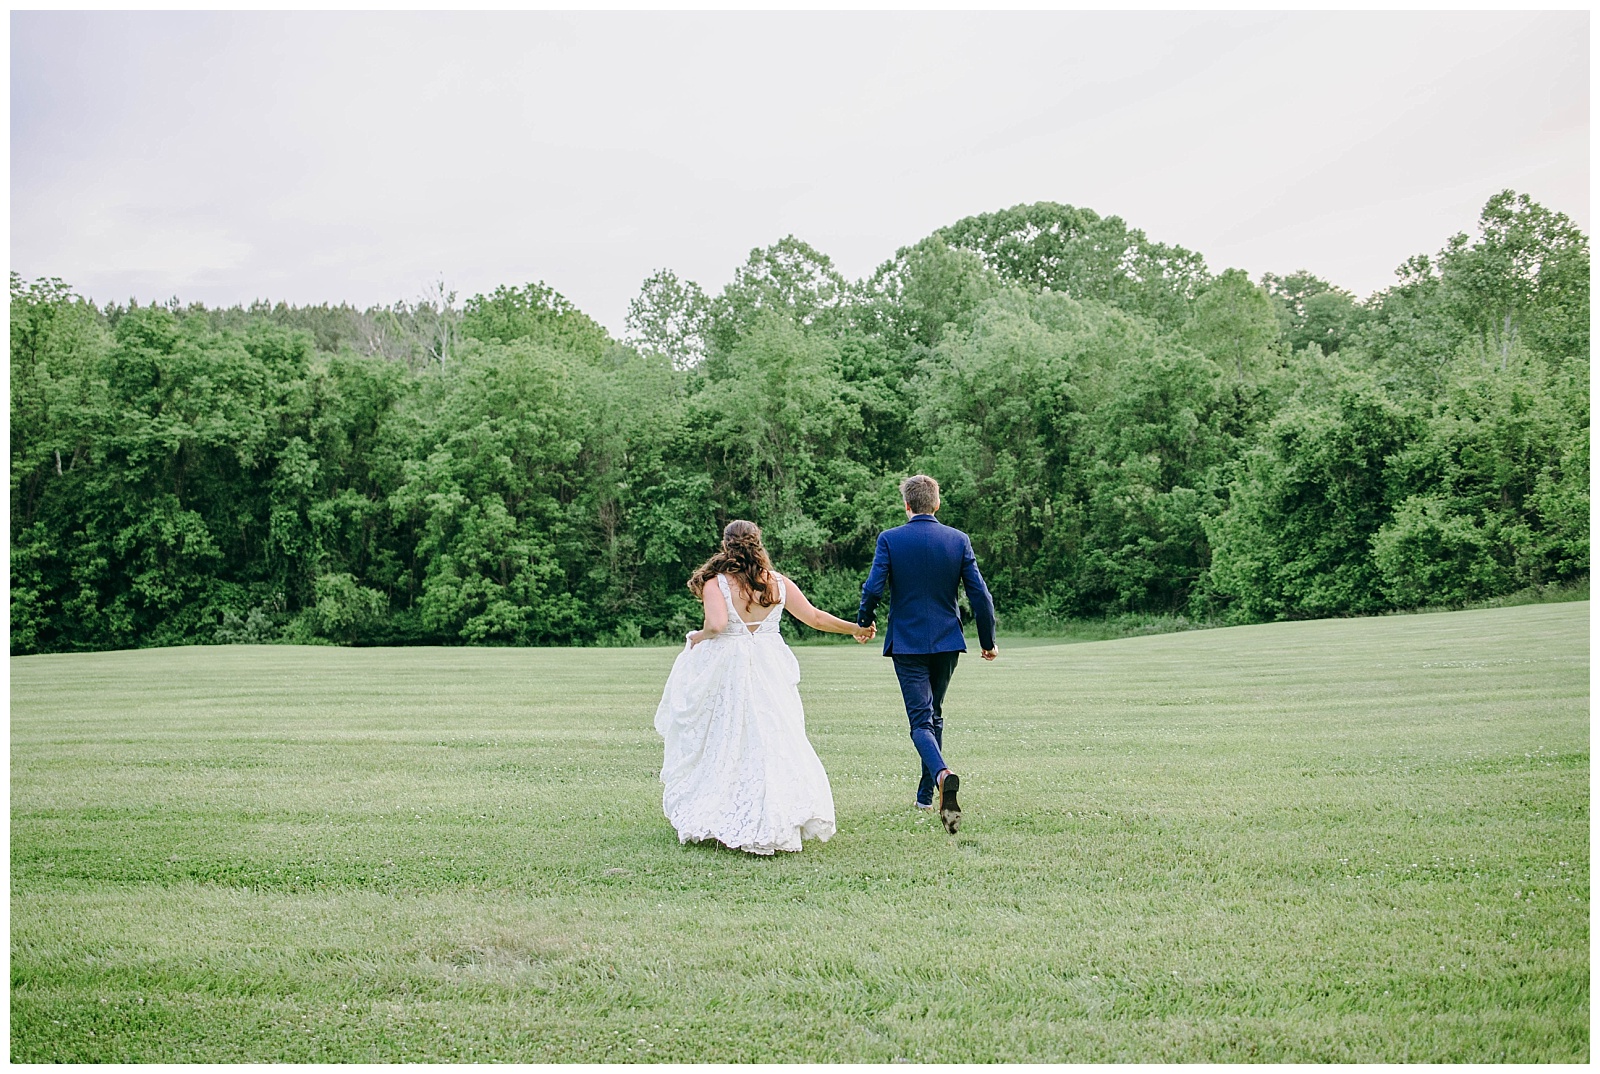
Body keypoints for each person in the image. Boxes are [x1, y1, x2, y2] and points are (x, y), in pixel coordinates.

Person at [653, 520, 875, 855]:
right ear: (758, 544)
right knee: (773, 737)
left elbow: (716, 625)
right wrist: (854, 628)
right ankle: (776, 813)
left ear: (726, 545)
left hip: (728, 668)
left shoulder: (717, 583)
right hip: (769, 666)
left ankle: (724, 812)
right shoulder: (778, 584)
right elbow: (814, 618)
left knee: (726, 738)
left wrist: (696, 637)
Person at [857, 474, 997, 834]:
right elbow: (980, 595)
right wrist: (987, 640)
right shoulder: (957, 540)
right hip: (948, 641)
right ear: (936, 504)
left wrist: (864, 620)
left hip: (907, 642)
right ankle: (925, 796)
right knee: (934, 716)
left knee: (921, 722)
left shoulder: (889, 539)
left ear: (907, 506)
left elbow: (873, 587)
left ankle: (942, 774)